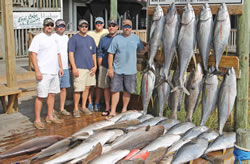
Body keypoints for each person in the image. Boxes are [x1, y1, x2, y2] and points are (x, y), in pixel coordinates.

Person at [107, 19, 148, 118]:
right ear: (122, 28)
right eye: (125, 26)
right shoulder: (116, 39)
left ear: (131, 28)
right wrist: (110, 68)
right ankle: (112, 111)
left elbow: (142, 49)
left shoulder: (136, 39)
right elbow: (110, 54)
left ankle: (124, 109)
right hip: (117, 70)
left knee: (127, 91)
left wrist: (149, 48)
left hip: (131, 71)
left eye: (129, 26)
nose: (127, 28)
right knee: (115, 90)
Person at [29, 18, 64, 129]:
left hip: (54, 71)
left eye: (51, 24)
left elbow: (58, 54)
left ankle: (50, 116)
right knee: (40, 96)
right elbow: (33, 54)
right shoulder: (38, 38)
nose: (49, 26)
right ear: (43, 26)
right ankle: (37, 119)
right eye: (47, 25)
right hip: (43, 72)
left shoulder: (54, 38)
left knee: (52, 94)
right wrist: (37, 70)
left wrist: (61, 67)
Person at [68, 19, 97, 118]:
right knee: (78, 89)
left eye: (86, 26)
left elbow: (94, 53)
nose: (84, 28)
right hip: (79, 67)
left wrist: (95, 65)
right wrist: (74, 67)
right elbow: (71, 53)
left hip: (90, 67)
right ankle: (76, 108)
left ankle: (84, 106)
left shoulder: (91, 39)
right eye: (82, 26)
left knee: (87, 87)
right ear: (78, 27)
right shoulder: (74, 39)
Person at [97, 19, 119, 116]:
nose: (111, 27)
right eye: (109, 25)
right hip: (105, 66)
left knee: (115, 88)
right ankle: (107, 107)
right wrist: (100, 66)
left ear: (117, 27)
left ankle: (115, 108)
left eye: (113, 25)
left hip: (118, 67)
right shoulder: (103, 39)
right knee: (106, 87)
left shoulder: (120, 38)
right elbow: (99, 53)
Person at [87, 17, 109, 112]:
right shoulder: (90, 33)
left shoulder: (107, 32)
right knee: (90, 84)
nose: (98, 24)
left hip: (102, 61)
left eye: (100, 23)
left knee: (100, 85)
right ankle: (89, 102)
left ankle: (97, 102)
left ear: (103, 24)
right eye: (97, 23)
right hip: (91, 61)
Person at [52, 19, 71, 116]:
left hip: (65, 67)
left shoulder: (66, 37)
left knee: (63, 88)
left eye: (63, 26)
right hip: (55, 67)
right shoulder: (52, 37)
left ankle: (61, 108)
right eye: (59, 26)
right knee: (53, 89)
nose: (61, 28)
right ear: (56, 27)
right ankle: (51, 109)